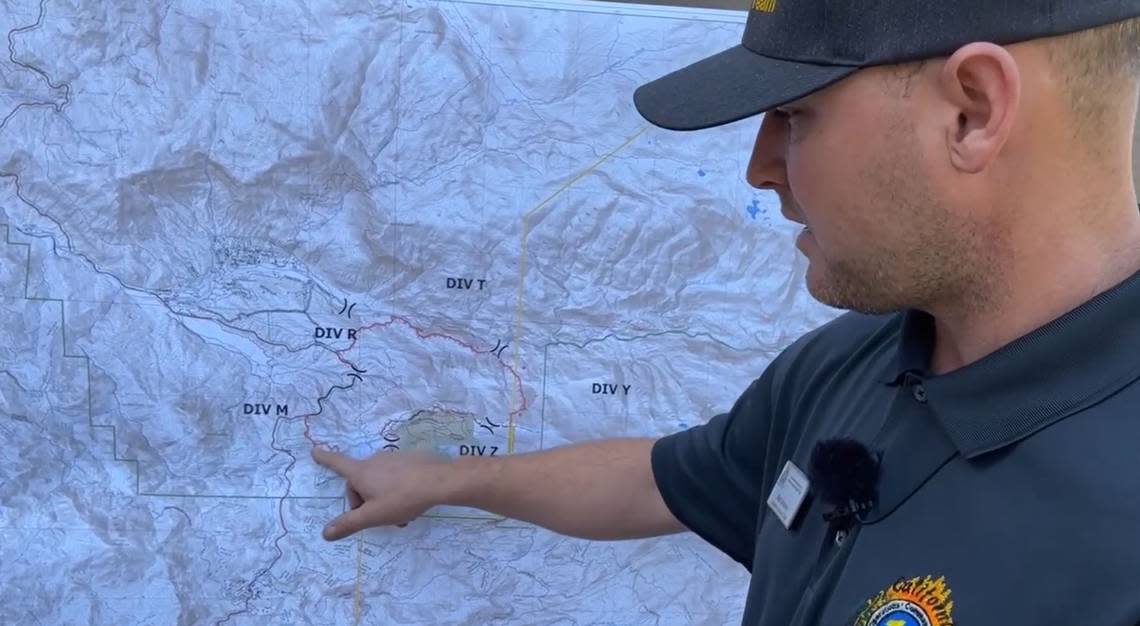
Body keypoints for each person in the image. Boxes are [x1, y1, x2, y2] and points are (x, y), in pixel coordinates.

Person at [313, 0, 1140, 623]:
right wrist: (450, 478)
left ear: (973, 110)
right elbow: (666, 481)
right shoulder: (846, 368)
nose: (760, 168)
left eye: (793, 114)